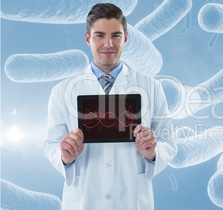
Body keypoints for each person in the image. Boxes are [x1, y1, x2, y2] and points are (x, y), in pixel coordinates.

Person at [43, 3, 177, 210]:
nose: (108, 43)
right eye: (99, 36)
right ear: (88, 38)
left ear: (126, 38)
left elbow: (168, 142)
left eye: (115, 35)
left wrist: (152, 152)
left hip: (132, 201)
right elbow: (51, 144)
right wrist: (65, 157)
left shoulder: (151, 87)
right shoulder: (62, 91)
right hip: (83, 201)